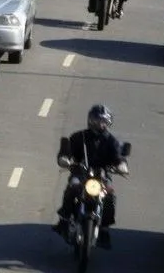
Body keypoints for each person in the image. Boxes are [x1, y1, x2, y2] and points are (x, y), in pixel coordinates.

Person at [52, 104, 129, 249]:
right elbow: (68, 151)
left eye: (104, 121)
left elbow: (118, 156)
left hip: (102, 175)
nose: (100, 124)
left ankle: (104, 229)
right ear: (90, 120)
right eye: (97, 120)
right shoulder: (79, 137)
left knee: (110, 195)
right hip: (81, 172)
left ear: (108, 122)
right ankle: (64, 220)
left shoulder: (111, 141)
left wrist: (121, 165)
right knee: (73, 186)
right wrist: (65, 158)